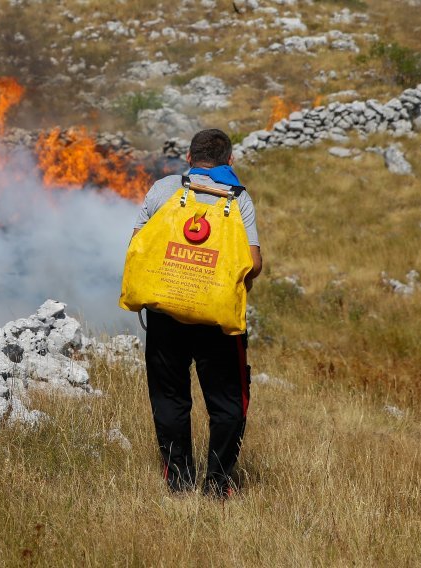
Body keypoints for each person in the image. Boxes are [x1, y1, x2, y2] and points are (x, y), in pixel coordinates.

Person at [131, 128, 262, 498]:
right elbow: (252, 263)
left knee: (170, 398)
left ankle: (179, 483)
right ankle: (217, 485)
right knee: (228, 404)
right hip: (217, 320)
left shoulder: (162, 189)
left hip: (165, 314)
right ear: (230, 161)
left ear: (189, 158)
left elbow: (137, 246)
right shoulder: (237, 197)